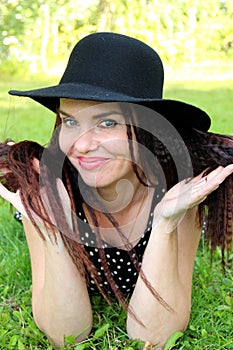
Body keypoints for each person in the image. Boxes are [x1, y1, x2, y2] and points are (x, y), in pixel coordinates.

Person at [0, 32, 232, 349]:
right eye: (70, 122)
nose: (81, 145)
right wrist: (51, 224)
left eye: (107, 123)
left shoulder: (178, 189)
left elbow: (152, 338)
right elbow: (67, 337)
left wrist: (165, 223)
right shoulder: (49, 186)